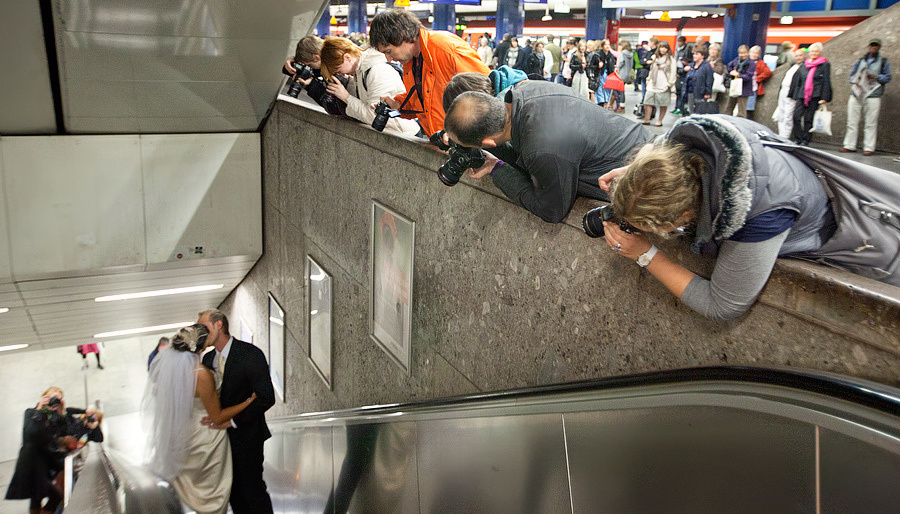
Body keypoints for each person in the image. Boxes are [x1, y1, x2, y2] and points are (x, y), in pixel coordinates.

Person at [595, 114, 895, 320]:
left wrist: (645, 253)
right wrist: (638, 177)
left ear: (685, 216)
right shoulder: (698, 139)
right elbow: (661, 149)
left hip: (873, 254)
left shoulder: (760, 214)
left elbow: (722, 305)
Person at [442, 81, 651, 223]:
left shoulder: (543, 149)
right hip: (642, 144)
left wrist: (496, 168)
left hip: (644, 181)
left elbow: (552, 210)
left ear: (488, 142)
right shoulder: (526, 90)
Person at [143, 323, 259, 514]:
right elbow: (217, 417)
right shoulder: (201, 374)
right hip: (207, 436)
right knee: (214, 496)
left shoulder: (172, 372)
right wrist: (248, 402)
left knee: (200, 495)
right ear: (201, 348)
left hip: (186, 432)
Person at [198, 309, 276, 514]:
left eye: (204, 327)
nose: (201, 333)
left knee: (253, 491)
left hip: (248, 436)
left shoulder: (250, 354)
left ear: (219, 325)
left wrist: (233, 421)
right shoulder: (207, 361)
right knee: (233, 495)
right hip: (219, 442)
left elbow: (266, 397)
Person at [368, 9, 489, 139]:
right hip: (441, 142)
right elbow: (426, 101)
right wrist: (397, 104)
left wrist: (462, 135)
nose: (388, 58)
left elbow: (487, 94)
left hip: (465, 142)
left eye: (389, 51)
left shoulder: (446, 48)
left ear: (401, 37)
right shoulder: (412, 61)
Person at [320, 36, 423, 137]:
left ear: (347, 57)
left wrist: (346, 97)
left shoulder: (377, 71)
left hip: (404, 134)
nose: (341, 74)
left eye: (338, 69)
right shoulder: (360, 71)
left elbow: (374, 115)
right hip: (392, 134)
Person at [5, 387, 68, 514]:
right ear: (44, 397)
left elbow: (62, 434)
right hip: (31, 463)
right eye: (51, 397)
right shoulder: (31, 412)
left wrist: (62, 413)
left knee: (36, 498)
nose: (54, 401)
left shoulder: (54, 417)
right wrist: (39, 409)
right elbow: (30, 433)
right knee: (55, 496)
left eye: (57, 399)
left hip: (45, 463)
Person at [842, 38, 892, 156]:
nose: (873, 48)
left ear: (879, 47)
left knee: (871, 122)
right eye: (871, 45)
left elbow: (888, 77)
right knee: (852, 121)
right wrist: (857, 78)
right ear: (868, 47)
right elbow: (851, 76)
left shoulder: (883, 61)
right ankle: (849, 145)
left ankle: (869, 147)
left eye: (876, 46)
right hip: (857, 93)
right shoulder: (861, 60)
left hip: (873, 94)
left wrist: (876, 77)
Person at [789, 42, 832, 147]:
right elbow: (799, 82)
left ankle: (806, 139)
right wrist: (795, 97)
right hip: (802, 94)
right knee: (796, 116)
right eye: (812, 51)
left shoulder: (824, 64)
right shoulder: (804, 64)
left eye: (816, 51)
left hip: (815, 95)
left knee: (809, 118)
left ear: (820, 52)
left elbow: (826, 81)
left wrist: (824, 97)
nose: (814, 53)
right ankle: (798, 138)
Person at [773, 50, 806, 138]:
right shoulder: (792, 66)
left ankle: (785, 135)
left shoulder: (804, 67)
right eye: (796, 56)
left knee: (788, 114)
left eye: (800, 55)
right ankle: (781, 133)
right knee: (781, 112)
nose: (798, 58)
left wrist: (796, 96)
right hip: (783, 90)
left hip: (791, 92)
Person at [643, 41, 676, 126]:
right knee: (648, 101)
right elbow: (651, 69)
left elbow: (673, 72)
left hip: (664, 83)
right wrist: (648, 80)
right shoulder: (655, 57)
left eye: (665, 47)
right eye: (661, 47)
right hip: (653, 82)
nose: (663, 49)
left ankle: (660, 121)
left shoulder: (671, 59)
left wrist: (670, 83)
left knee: (663, 103)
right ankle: (647, 119)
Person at [725, 45, 756, 118]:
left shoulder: (751, 63)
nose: (742, 55)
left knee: (741, 110)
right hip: (735, 86)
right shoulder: (736, 60)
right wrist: (732, 72)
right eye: (740, 53)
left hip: (744, 89)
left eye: (744, 53)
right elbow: (729, 66)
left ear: (748, 53)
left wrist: (738, 74)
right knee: (729, 107)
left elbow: (749, 76)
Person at [682, 46, 713, 114]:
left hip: (700, 92)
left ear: (702, 56)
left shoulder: (706, 66)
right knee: (690, 110)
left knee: (699, 111)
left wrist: (707, 92)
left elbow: (709, 79)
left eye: (697, 54)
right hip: (690, 92)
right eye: (694, 54)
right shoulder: (691, 65)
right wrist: (684, 70)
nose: (694, 56)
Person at [745, 45, 773, 120]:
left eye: (756, 53)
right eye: (753, 53)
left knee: (749, 108)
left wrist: (758, 78)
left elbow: (768, 72)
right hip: (742, 88)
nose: (754, 55)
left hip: (752, 88)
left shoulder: (761, 63)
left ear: (759, 55)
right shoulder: (744, 61)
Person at [590, 39, 616, 107]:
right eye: (605, 44)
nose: (607, 46)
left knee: (606, 92)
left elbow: (612, 67)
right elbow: (590, 66)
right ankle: (600, 105)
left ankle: (605, 105)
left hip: (608, 77)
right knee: (600, 92)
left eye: (608, 44)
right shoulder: (597, 55)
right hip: (599, 76)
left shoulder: (611, 56)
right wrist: (597, 66)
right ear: (602, 46)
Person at [672, 36, 692, 115]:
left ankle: (680, 108)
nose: (678, 43)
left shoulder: (687, 50)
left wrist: (686, 63)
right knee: (678, 91)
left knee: (681, 92)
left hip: (683, 73)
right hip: (678, 72)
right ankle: (677, 107)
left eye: (680, 41)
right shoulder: (678, 50)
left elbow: (689, 61)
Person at [707, 43, 727, 113]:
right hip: (706, 83)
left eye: (715, 50)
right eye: (711, 49)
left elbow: (720, 71)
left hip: (713, 84)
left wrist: (712, 67)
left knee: (711, 100)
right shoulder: (706, 59)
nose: (713, 51)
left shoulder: (718, 60)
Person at [614, 41, 633, 112]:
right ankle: (622, 106)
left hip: (621, 74)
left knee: (617, 90)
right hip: (627, 74)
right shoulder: (631, 54)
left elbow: (621, 62)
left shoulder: (623, 53)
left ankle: (619, 106)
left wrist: (617, 68)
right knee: (622, 90)